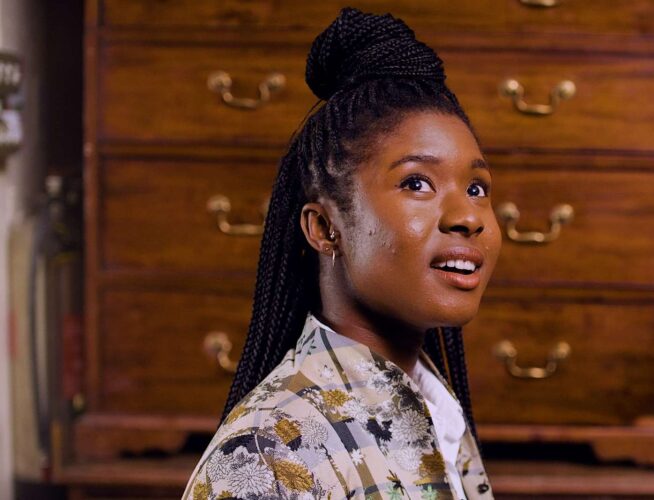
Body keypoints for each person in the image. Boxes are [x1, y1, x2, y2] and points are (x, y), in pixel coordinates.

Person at [183, 7, 501, 500]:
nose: (469, 216)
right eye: (417, 182)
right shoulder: (272, 457)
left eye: (478, 188)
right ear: (325, 227)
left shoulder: (435, 409)